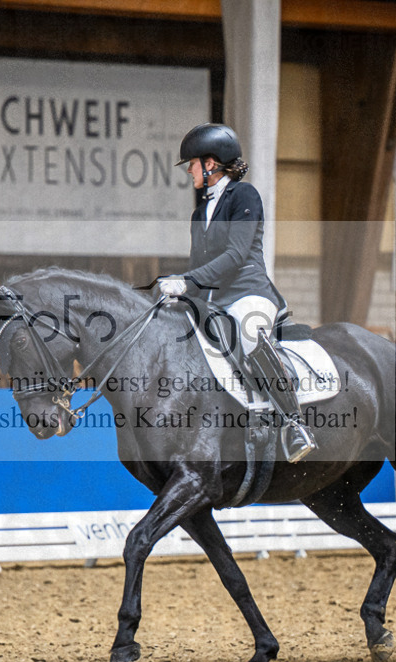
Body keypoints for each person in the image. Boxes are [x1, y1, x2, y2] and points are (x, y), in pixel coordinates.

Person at [159, 122, 315, 462]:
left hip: (248, 293)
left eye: (193, 163)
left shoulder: (244, 196)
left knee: (247, 333)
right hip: (214, 300)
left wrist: (186, 280)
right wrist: (179, 292)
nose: (189, 170)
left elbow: (236, 255)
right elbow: (198, 264)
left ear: (210, 163)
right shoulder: (199, 213)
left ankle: (293, 423)